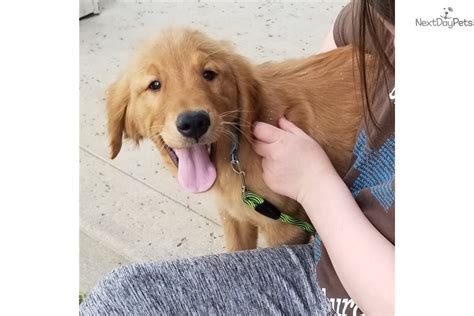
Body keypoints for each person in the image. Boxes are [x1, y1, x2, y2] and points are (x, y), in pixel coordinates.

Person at [80, 0, 395, 315]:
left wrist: (313, 186)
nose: (189, 111)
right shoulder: (378, 15)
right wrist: (233, 267)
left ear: (244, 93)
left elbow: (286, 229)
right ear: (121, 118)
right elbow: (341, 39)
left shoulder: (261, 152)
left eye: (208, 74)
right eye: (155, 85)